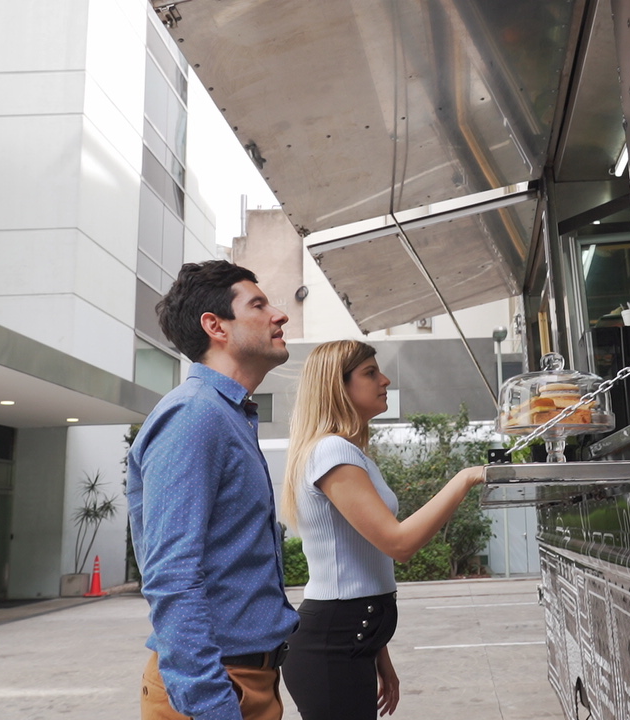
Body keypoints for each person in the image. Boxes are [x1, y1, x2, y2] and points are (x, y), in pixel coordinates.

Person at [127, 260, 299, 720]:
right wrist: (211, 704)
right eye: (259, 304)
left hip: (247, 679)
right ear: (215, 326)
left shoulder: (228, 415)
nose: (279, 315)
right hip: (214, 690)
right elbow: (171, 574)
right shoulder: (195, 415)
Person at [279, 340, 485, 720]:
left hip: (352, 641)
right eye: (370, 373)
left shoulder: (350, 453)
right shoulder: (331, 452)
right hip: (333, 644)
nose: (385, 380)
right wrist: (466, 477)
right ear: (337, 387)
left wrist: (378, 655)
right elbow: (398, 543)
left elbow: (362, 565)